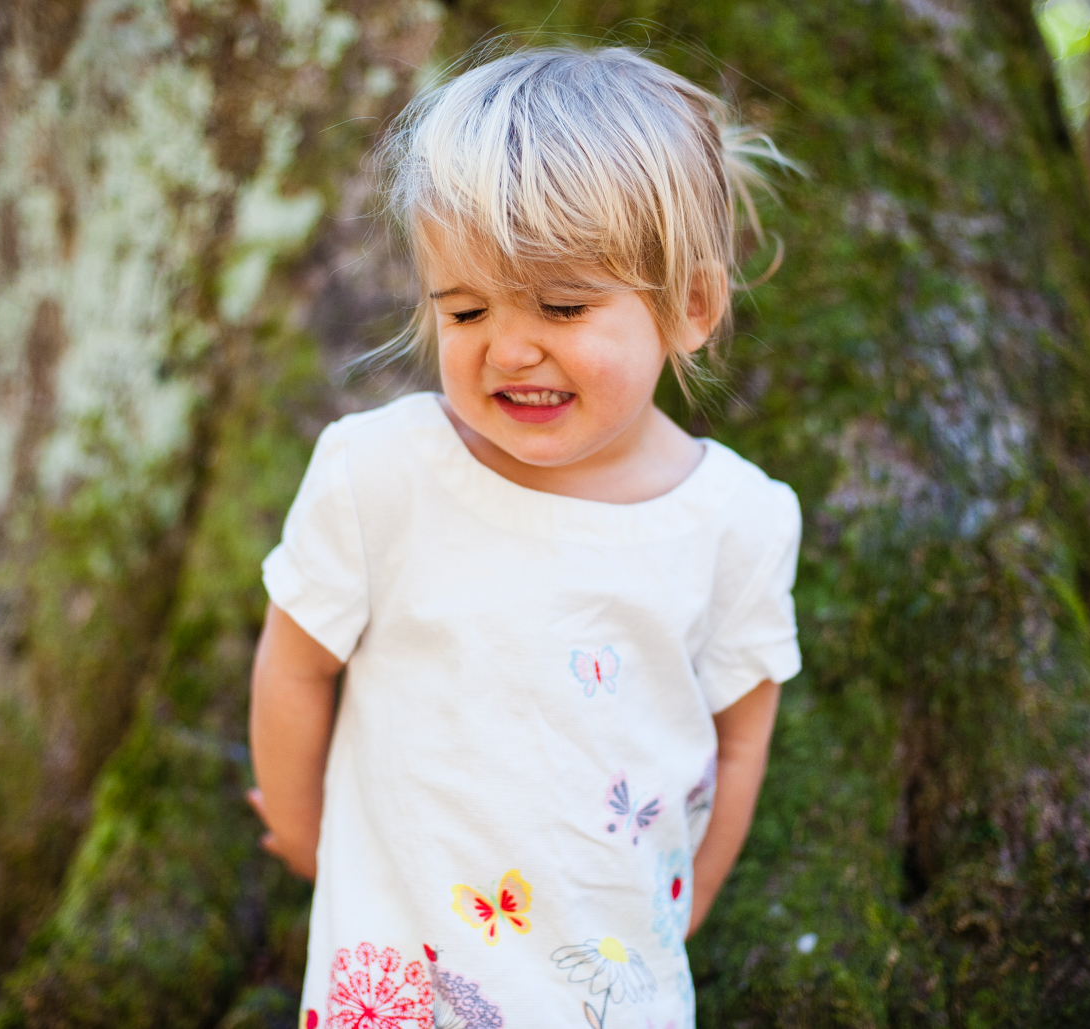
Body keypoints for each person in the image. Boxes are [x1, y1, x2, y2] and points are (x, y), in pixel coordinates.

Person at [247, 43, 800, 1029]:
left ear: (693, 308)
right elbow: (294, 665)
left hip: (610, 995)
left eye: (562, 305)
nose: (509, 347)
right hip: (402, 987)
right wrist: (303, 832)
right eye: (464, 309)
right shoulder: (382, 475)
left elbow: (743, 734)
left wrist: (694, 900)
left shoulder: (737, 521)